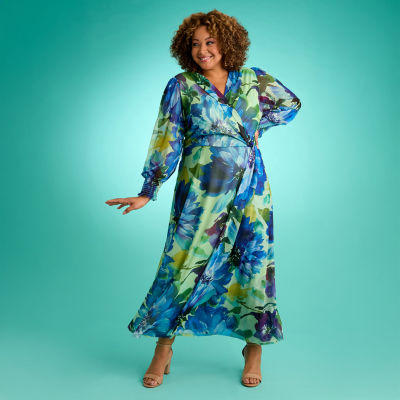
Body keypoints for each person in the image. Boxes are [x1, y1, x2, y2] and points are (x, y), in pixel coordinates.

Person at [105, 9, 301, 388]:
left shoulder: (253, 79)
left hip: (251, 190)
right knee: (182, 263)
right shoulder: (182, 85)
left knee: (253, 264)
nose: (202, 50)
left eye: (210, 42)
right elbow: (167, 136)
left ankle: (253, 349)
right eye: (195, 44)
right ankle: (163, 348)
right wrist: (148, 190)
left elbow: (291, 104)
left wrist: (256, 127)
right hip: (199, 191)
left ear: (228, 43)